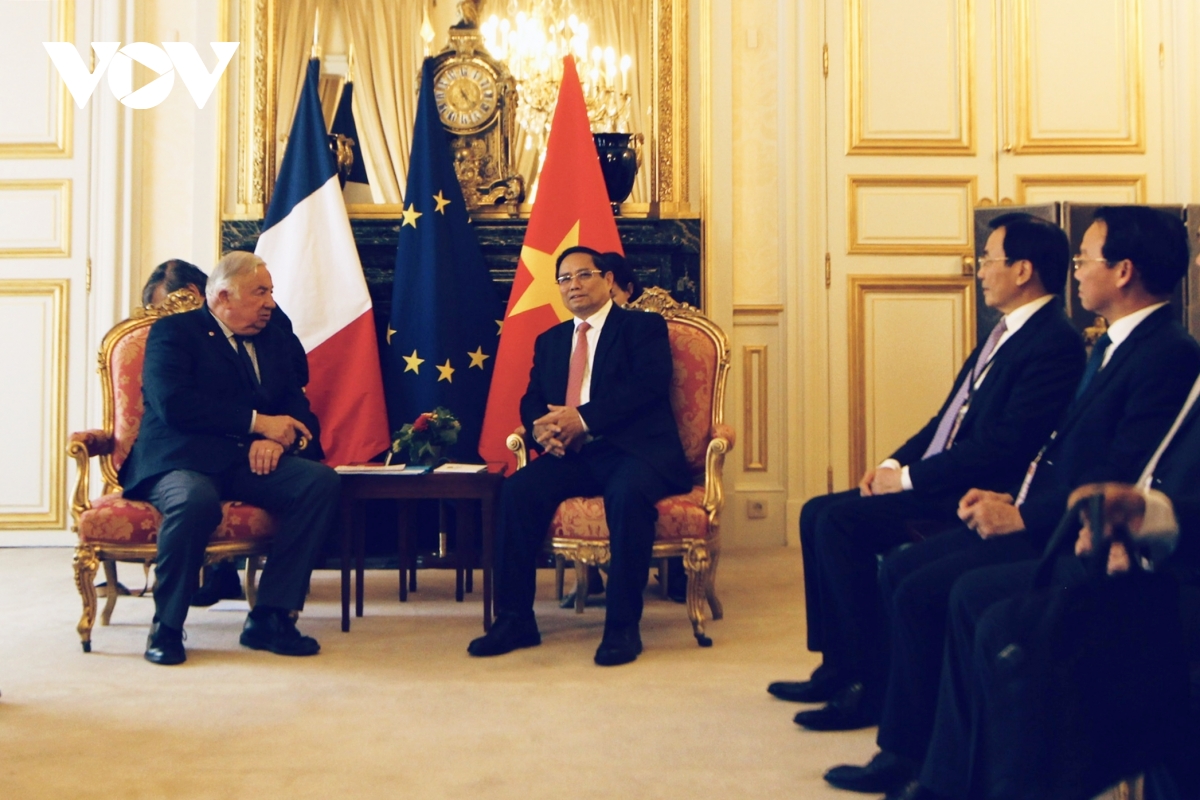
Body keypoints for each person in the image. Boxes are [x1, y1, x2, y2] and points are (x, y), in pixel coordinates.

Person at [826, 206, 1200, 797]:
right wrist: (1013, 497)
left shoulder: (1166, 352)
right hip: (1044, 511)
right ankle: (912, 752)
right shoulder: (1113, 344)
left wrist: (1024, 514)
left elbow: (1118, 470)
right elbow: (1058, 450)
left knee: (955, 593)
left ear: (1123, 270)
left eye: (1085, 260)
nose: (1077, 271)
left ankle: (937, 770)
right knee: (909, 573)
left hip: (1080, 535)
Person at [776, 213, 1085, 734]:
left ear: (1023, 270)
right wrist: (892, 464)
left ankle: (868, 686)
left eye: (988, 259)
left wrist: (909, 481)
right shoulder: (1004, 332)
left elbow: (1003, 447)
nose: (979, 270)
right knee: (815, 513)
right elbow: (947, 419)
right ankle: (839, 666)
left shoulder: (1054, 341)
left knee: (840, 524)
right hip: (940, 475)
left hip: (974, 491)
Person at [912, 373, 1200, 800]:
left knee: (1005, 618)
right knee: (979, 605)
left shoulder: (1167, 353)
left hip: (1172, 571)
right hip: (1144, 546)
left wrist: (1148, 532)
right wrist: (1135, 518)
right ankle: (954, 779)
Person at [468, 246, 692, 666]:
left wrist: (582, 419)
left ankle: (622, 628)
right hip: (574, 455)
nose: (574, 285)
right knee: (516, 492)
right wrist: (542, 429)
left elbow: (647, 387)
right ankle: (515, 620)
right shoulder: (550, 340)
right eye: (565, 279)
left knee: (626, 495)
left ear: (607, 280)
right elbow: (533, 398)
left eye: (583, 275)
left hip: (634, 451)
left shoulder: (641, 327)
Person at [120, 251, 339, 665]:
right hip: (182, 458)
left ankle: (271, 616)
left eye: (270, 292)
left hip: (245, 461)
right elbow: (175, 405)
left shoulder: (275, 338)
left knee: (318, 482)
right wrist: (258, 425)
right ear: (223, 296)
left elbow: (299, 412)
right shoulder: (174, 332)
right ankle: (167, 626)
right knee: (194, 500)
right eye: (260, 293)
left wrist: (278, 442)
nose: (270, 303)